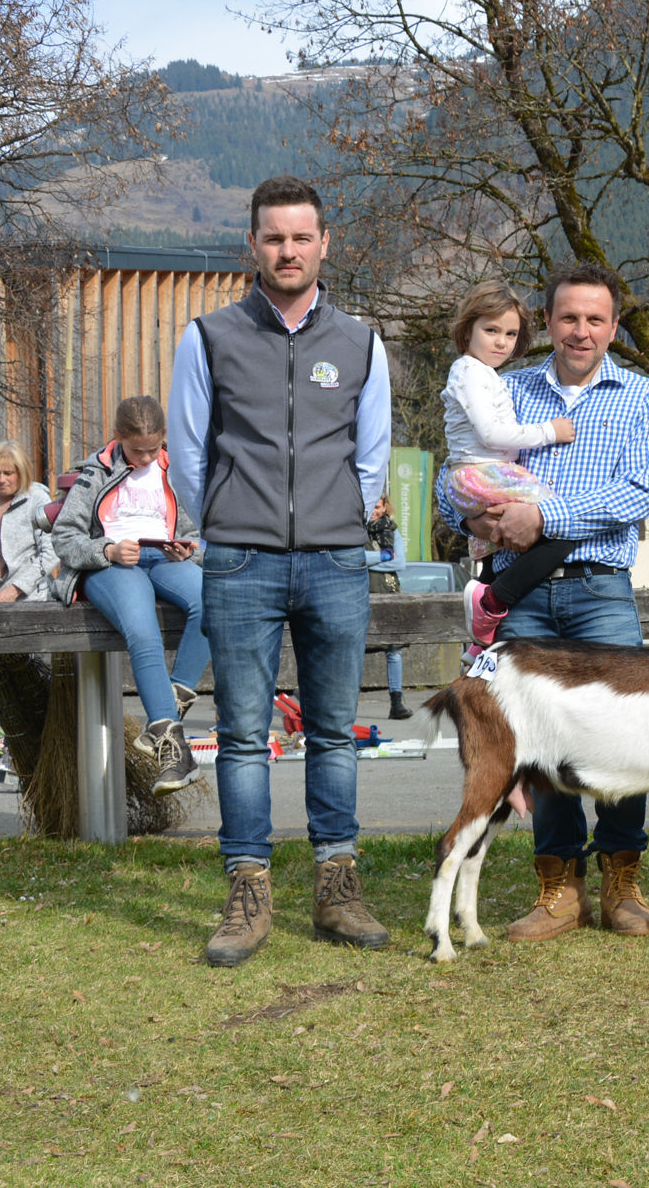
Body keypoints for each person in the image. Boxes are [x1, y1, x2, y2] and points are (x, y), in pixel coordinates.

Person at [167, 174, 394, 969]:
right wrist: (228, 523)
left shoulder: (361, 342)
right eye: (273, 237)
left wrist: (339, 523)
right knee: (239, 735)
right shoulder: (208, 337)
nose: (288, 250)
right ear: (252, 244)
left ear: (325, 242)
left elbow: (371, 460)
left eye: (302, 237)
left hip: (335, 560)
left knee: (333, 731)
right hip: (241, 560)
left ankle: (337, 886)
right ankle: (248, 893)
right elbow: (190, 455)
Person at [436, 262, 649, 941]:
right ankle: (557, 886)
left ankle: (621, 878)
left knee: (627, 733)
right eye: (568, 318)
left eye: (595, 319)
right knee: (537, 740)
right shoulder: (506, 389)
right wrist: (469, 516)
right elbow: (460, 474)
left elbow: (634, 494)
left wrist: (547, 518)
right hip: (521, 591)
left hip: (599, 586)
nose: (581, 331)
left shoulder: (642, 396)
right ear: (549, 322)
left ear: (614, 326)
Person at [51, 397, 207, 795]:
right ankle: (175, 752)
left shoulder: (173, 470)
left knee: (216, 599)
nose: (147, 456)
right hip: (113, 563)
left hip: (164, 557)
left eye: (154, 448)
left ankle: (168, 710)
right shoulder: (95, 471)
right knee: (142, 629)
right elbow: (65, 538)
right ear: (118, 437)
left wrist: (187, 548)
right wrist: (108, 550)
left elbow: (195, 533)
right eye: (137, 449)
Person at [438, 281, 578, 647]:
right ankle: (492, 600)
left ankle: (480, 629)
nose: (501, 342)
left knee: (508, 540)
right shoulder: (469, 372)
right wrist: (550, 431)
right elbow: (491, 433)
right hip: (481, 472)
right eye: (491, 330)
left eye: (511, 333)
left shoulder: (484, 374)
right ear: (467, 329)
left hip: (480, 472)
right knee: (559, 519)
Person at [0, 442, 58, 602]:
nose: (1, 479)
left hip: (27, 601)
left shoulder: (37, 499)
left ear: (21, 472)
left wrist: (16, 589)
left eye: (8, 473)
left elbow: (51, 552)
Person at [366, 494, 413, 721]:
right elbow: (353, 558)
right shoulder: (354, 530)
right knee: (354, 650)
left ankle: (397, 702)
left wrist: (370, 559)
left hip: (389, 593)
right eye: (371, 506)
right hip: (362, 593)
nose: (373, 510)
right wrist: (382, 556)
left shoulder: (393, 531)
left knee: (394, 650)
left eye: (377, 506)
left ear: (385, 508)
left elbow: (400, 562)